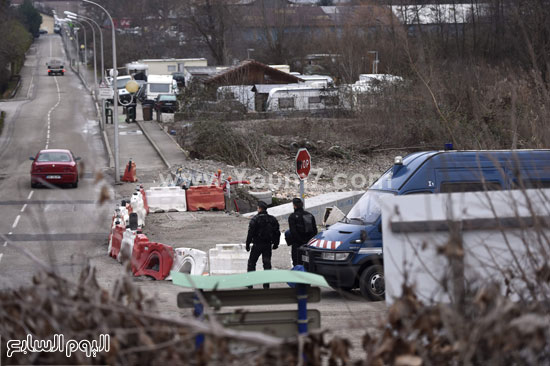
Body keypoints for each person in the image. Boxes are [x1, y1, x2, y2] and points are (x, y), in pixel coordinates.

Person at [245, 201, 280, 289]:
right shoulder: (272, 219)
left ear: (259, 208)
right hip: (267, 245)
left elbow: (250, 233)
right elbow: (277, 233)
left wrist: (247, 244)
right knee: (267, 264)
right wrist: (276, 243)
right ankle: (266, 284)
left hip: (257, 244)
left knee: (252, 263)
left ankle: (250, 283)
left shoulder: (255, 219)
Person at [287, 198, 318, 267]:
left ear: (294, 206)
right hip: (308, 244)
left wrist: (300, 241)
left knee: (297, 263)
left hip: (297, 244)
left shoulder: (292, 217)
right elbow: (315, 230)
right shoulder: (309, 215)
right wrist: (308, 241)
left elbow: (293, 232)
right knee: (308, 263)